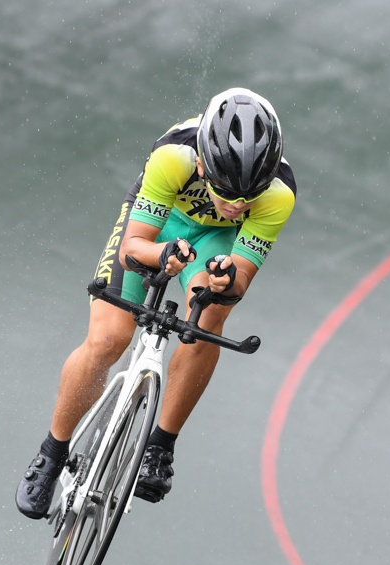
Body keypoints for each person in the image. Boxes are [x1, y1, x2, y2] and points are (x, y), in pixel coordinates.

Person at [16, 88, 297, 518]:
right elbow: (135, 246)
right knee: (109, 338)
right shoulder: (172, 158)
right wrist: (163, 254)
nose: (235, 205)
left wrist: (225, 279)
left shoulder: (278, 194)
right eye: (225, 191)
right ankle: (51, 453)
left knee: (210, 312)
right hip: (160, 222)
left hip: (214, 243)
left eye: (248, 198)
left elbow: (240, 276)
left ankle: (160, 446)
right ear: (202, 163)